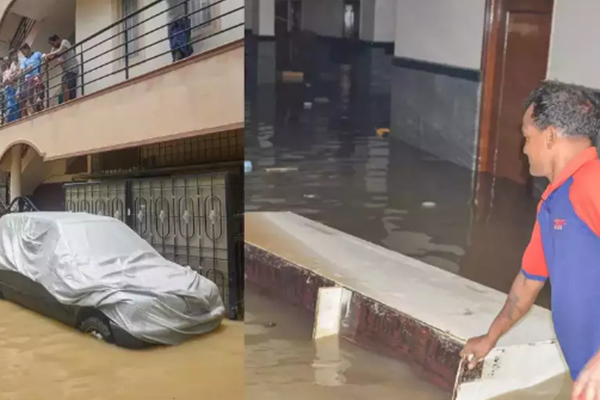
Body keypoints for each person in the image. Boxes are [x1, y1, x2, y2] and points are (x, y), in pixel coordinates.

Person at [460, 81, 600, 400]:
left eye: (527, 137)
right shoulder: (553, 201)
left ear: (550, 136)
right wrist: (490, 337)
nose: (523, 149)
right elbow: (527, 283)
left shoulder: (592, 181)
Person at [44, 34, 79, 102]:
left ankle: (72, 102)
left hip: (72, 68)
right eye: (51, 44)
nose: (53, 45)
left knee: (70, 86)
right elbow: (51, 56)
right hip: (65, 70)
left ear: (57, 39)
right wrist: (46, 58)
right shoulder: (55, 48)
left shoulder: (64, 42)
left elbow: (61, 49)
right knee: (64, 85)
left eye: (53, 43)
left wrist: (49, 54)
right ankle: (66, 102)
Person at [18, 43, 44, 116]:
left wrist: (42, 70)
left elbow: (43, 60)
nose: (23, 54)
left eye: (23, 51)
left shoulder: (37, 54)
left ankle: (39, 104)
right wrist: (27, 69)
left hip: (37, 77)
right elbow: (22, 71)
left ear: (28, 49)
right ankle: (34, 110)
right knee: (27, 95)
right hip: (28, 79)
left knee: (38, 86)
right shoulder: (24, 60)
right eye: (22, 53)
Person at [1, 52, 21, 123]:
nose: (6, 62)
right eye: (5, 60)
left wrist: (9, 81)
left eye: (7, 60)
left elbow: (14, 78)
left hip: (13, 88)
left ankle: (16, 119)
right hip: (7, 91)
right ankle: (9, 120)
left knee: (14, 105)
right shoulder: (4, 72)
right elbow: (4, 82)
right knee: (8, 106)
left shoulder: (12, 68)